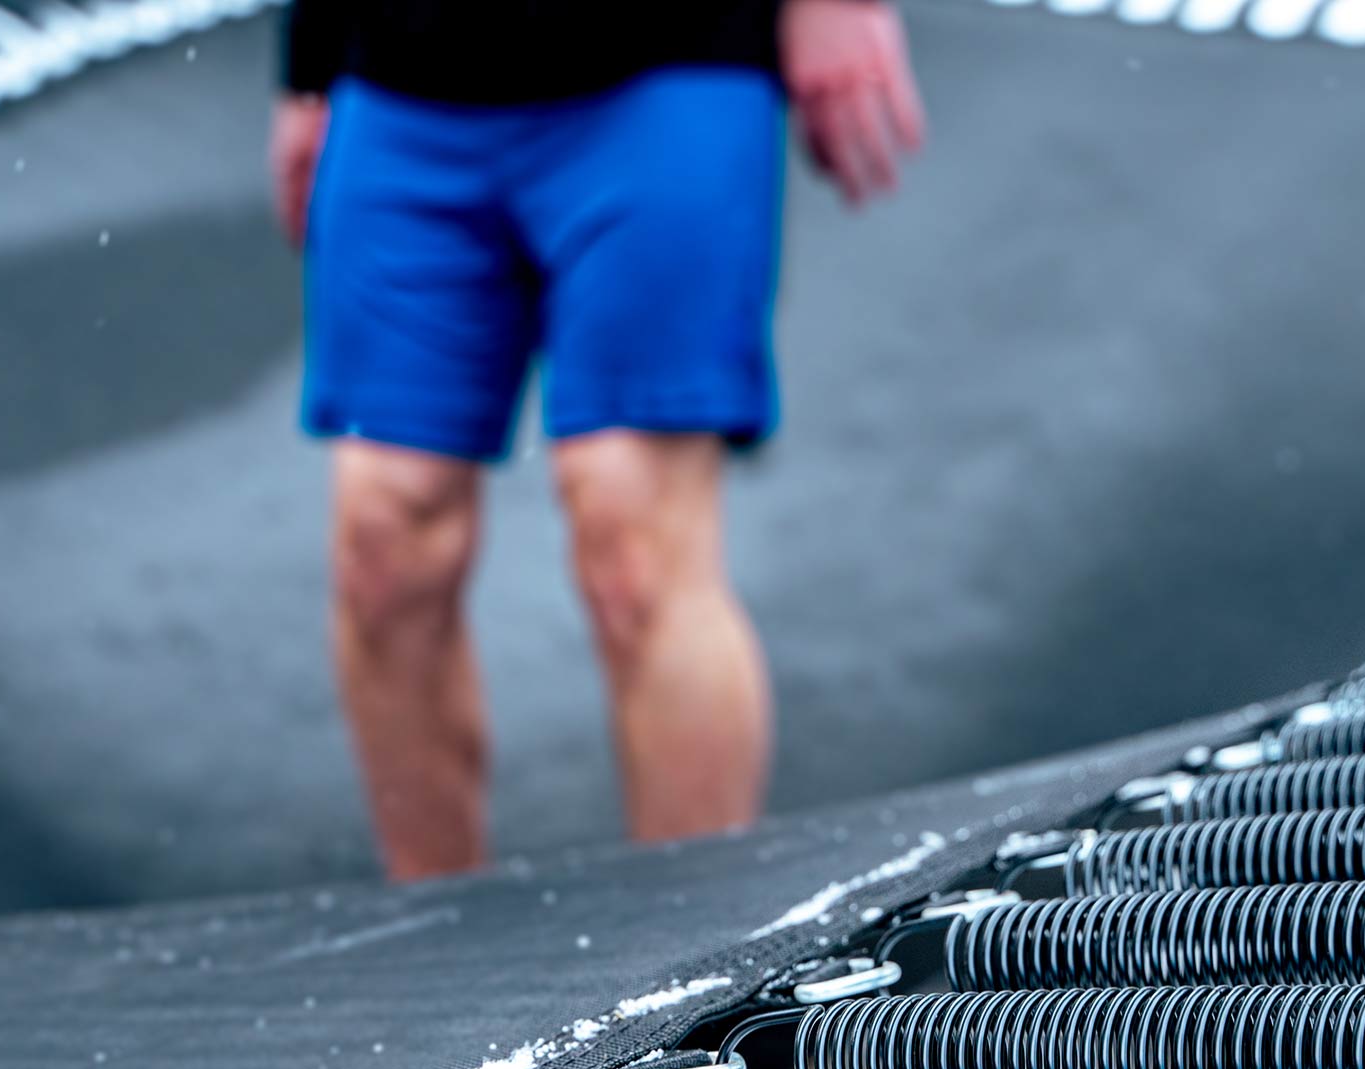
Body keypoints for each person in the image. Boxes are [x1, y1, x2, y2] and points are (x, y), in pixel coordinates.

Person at [270, 1, 927, 880]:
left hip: (670, 67)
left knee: (634, 539)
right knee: (384, 547)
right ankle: (429, 944)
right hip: (402, 80)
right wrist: (307, 67)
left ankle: (696, 981)